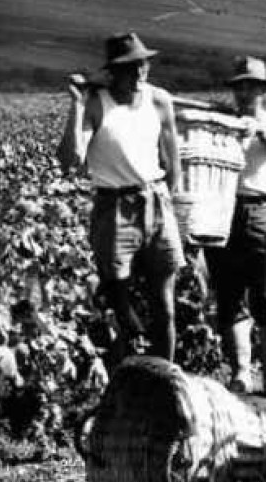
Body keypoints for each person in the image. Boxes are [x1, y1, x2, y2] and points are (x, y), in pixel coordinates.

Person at [57, 32, 186, 362]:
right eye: (131, 67)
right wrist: (77, 104)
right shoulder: (97, 105)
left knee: (165, 305)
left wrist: (170, 205)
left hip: (156, 201)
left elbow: (172, 162)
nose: (140, 73)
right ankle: (127, 377)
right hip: (115, 206)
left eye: (143, 65)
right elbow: (71, 160)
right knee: (120, 304)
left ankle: (166, 378)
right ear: (114, 71)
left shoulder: (159, 101)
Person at [200, 56, 266, 396]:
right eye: (240, 87)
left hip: (260, 209)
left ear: (262, 90)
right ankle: (241, 372)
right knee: (229, 295)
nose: (245, 92)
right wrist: (226, 120)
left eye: (251, 86)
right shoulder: (223, 121)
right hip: (223, 209)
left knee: (265, 295)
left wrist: (252, 126)